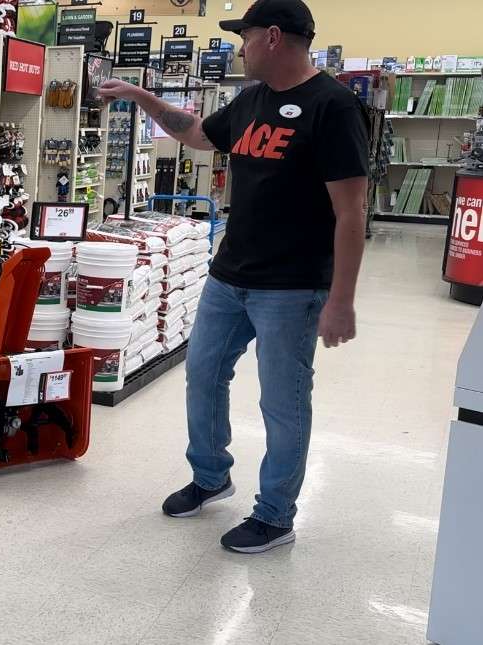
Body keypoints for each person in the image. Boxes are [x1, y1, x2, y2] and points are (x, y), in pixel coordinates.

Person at [99, 0, 368, 553]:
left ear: (273, 37)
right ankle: (211, 475)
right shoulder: (250, 100)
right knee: (203, 377)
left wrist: (341, 301)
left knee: (284, 403)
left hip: (291, 288)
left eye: (242, 38)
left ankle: (275, 514)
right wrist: (141, 96)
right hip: (228, 276)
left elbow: (352, 212)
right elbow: (198, 134)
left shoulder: (333, 107)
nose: (236, 48)